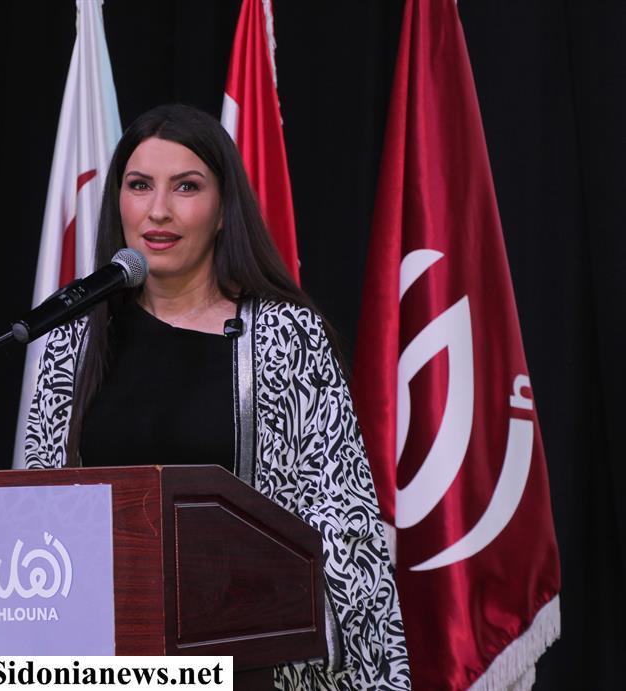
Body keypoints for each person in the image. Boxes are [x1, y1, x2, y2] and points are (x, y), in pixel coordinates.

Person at [24, 104, 410, 690]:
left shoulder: (285, 337)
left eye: (186, 187)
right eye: (139, 185)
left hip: (249, 662)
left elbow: (343, 517)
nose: (158, 210)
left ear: (225, 208)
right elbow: (39, 507)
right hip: (103, 660)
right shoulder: (73, 341)